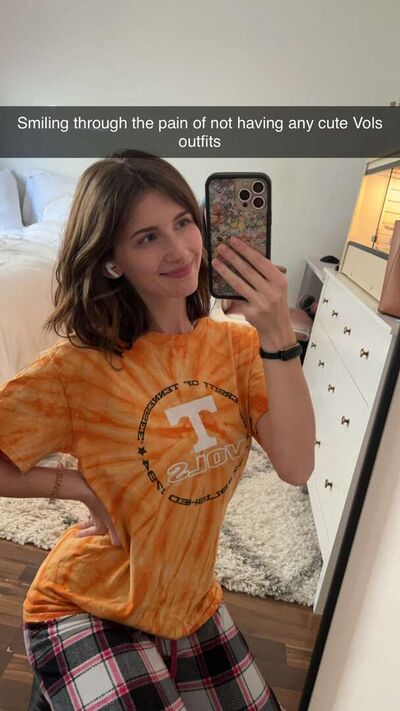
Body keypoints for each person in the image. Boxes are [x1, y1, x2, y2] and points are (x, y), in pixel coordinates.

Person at [0, 150, 315, 710]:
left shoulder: (240, 348)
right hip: (85, 602)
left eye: (183, 222)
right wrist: (75, 486)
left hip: (188, 602)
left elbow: (296, 466)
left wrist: (276, 334)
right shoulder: (80, 368)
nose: (179, 250)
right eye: (147, 237)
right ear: (111, 261)